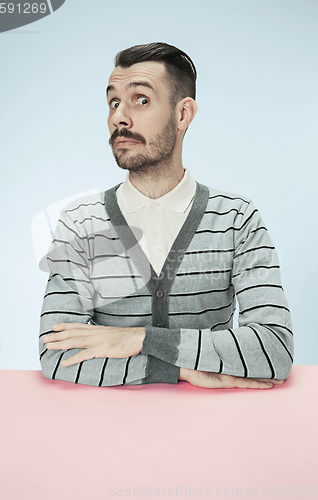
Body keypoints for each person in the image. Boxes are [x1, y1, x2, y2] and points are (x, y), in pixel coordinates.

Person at [39, 42, 293, 389]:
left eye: (140, 100)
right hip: (102, 431)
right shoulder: (80, 223)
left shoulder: (237, 219)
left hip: (216, 430)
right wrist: (179, 370)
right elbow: (56, 355)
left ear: (183, 114)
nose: (119, 117)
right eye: (114, 102)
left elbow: (273, 350)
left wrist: (140, 339)